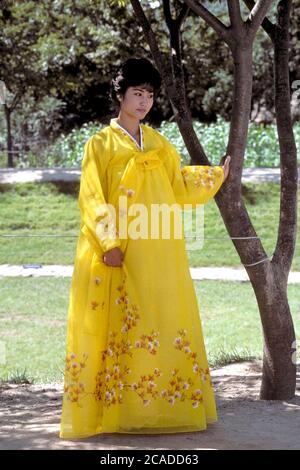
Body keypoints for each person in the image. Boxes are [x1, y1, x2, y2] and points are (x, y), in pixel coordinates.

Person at [59, 57, 231, 439]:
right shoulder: (100, 144)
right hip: (117, 250)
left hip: (159, 250)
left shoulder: (157, 142)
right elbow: (91, 195)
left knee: (157, 320)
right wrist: (109, 242)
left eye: (150, 95)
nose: (144, 102)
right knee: (119, 324)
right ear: (120, 95)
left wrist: (215, 175)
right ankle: (118, 412)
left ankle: (159, 410)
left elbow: (178, 184)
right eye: (137, 94)